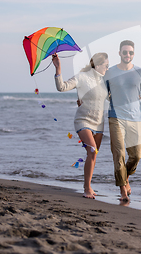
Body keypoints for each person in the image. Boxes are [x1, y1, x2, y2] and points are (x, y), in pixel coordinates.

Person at [52, 52, 109, 199]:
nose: (107, 69)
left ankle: (88, 184)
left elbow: (112, 98)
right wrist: (58, 69)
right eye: (106, 66)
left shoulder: (105, 81)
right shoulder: (81, 77)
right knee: (92, 151)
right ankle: (87, 188)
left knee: (93, 155)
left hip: (99, 123)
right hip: (83, 120)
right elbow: (62, 87)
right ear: (97, 65)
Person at [105, 40, 141, 202]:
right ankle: (123, 191)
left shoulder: (140, 72)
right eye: (125, 52)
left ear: (133, 54)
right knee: (118, 154)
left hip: (135, 119)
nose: (128, 55)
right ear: (119, 53)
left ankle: (125, 178)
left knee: (136, 156)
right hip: (115, 117)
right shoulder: (110, 72)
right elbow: (101, 92)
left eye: (130, 52)